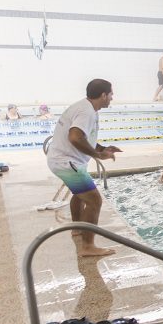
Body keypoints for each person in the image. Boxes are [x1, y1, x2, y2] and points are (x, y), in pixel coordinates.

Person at [46, 79, 122, 257]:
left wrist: (102, 149)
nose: (112, 97)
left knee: (80, 196)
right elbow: (75, 137)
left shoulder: (85, 108)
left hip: (64, 161)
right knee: (94, 200)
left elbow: (83, 138)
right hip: (66, 162)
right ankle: (88, 246)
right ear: (103, 95)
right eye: (111, 94)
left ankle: (78, 229)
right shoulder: (86, 111)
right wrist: (98, 155)